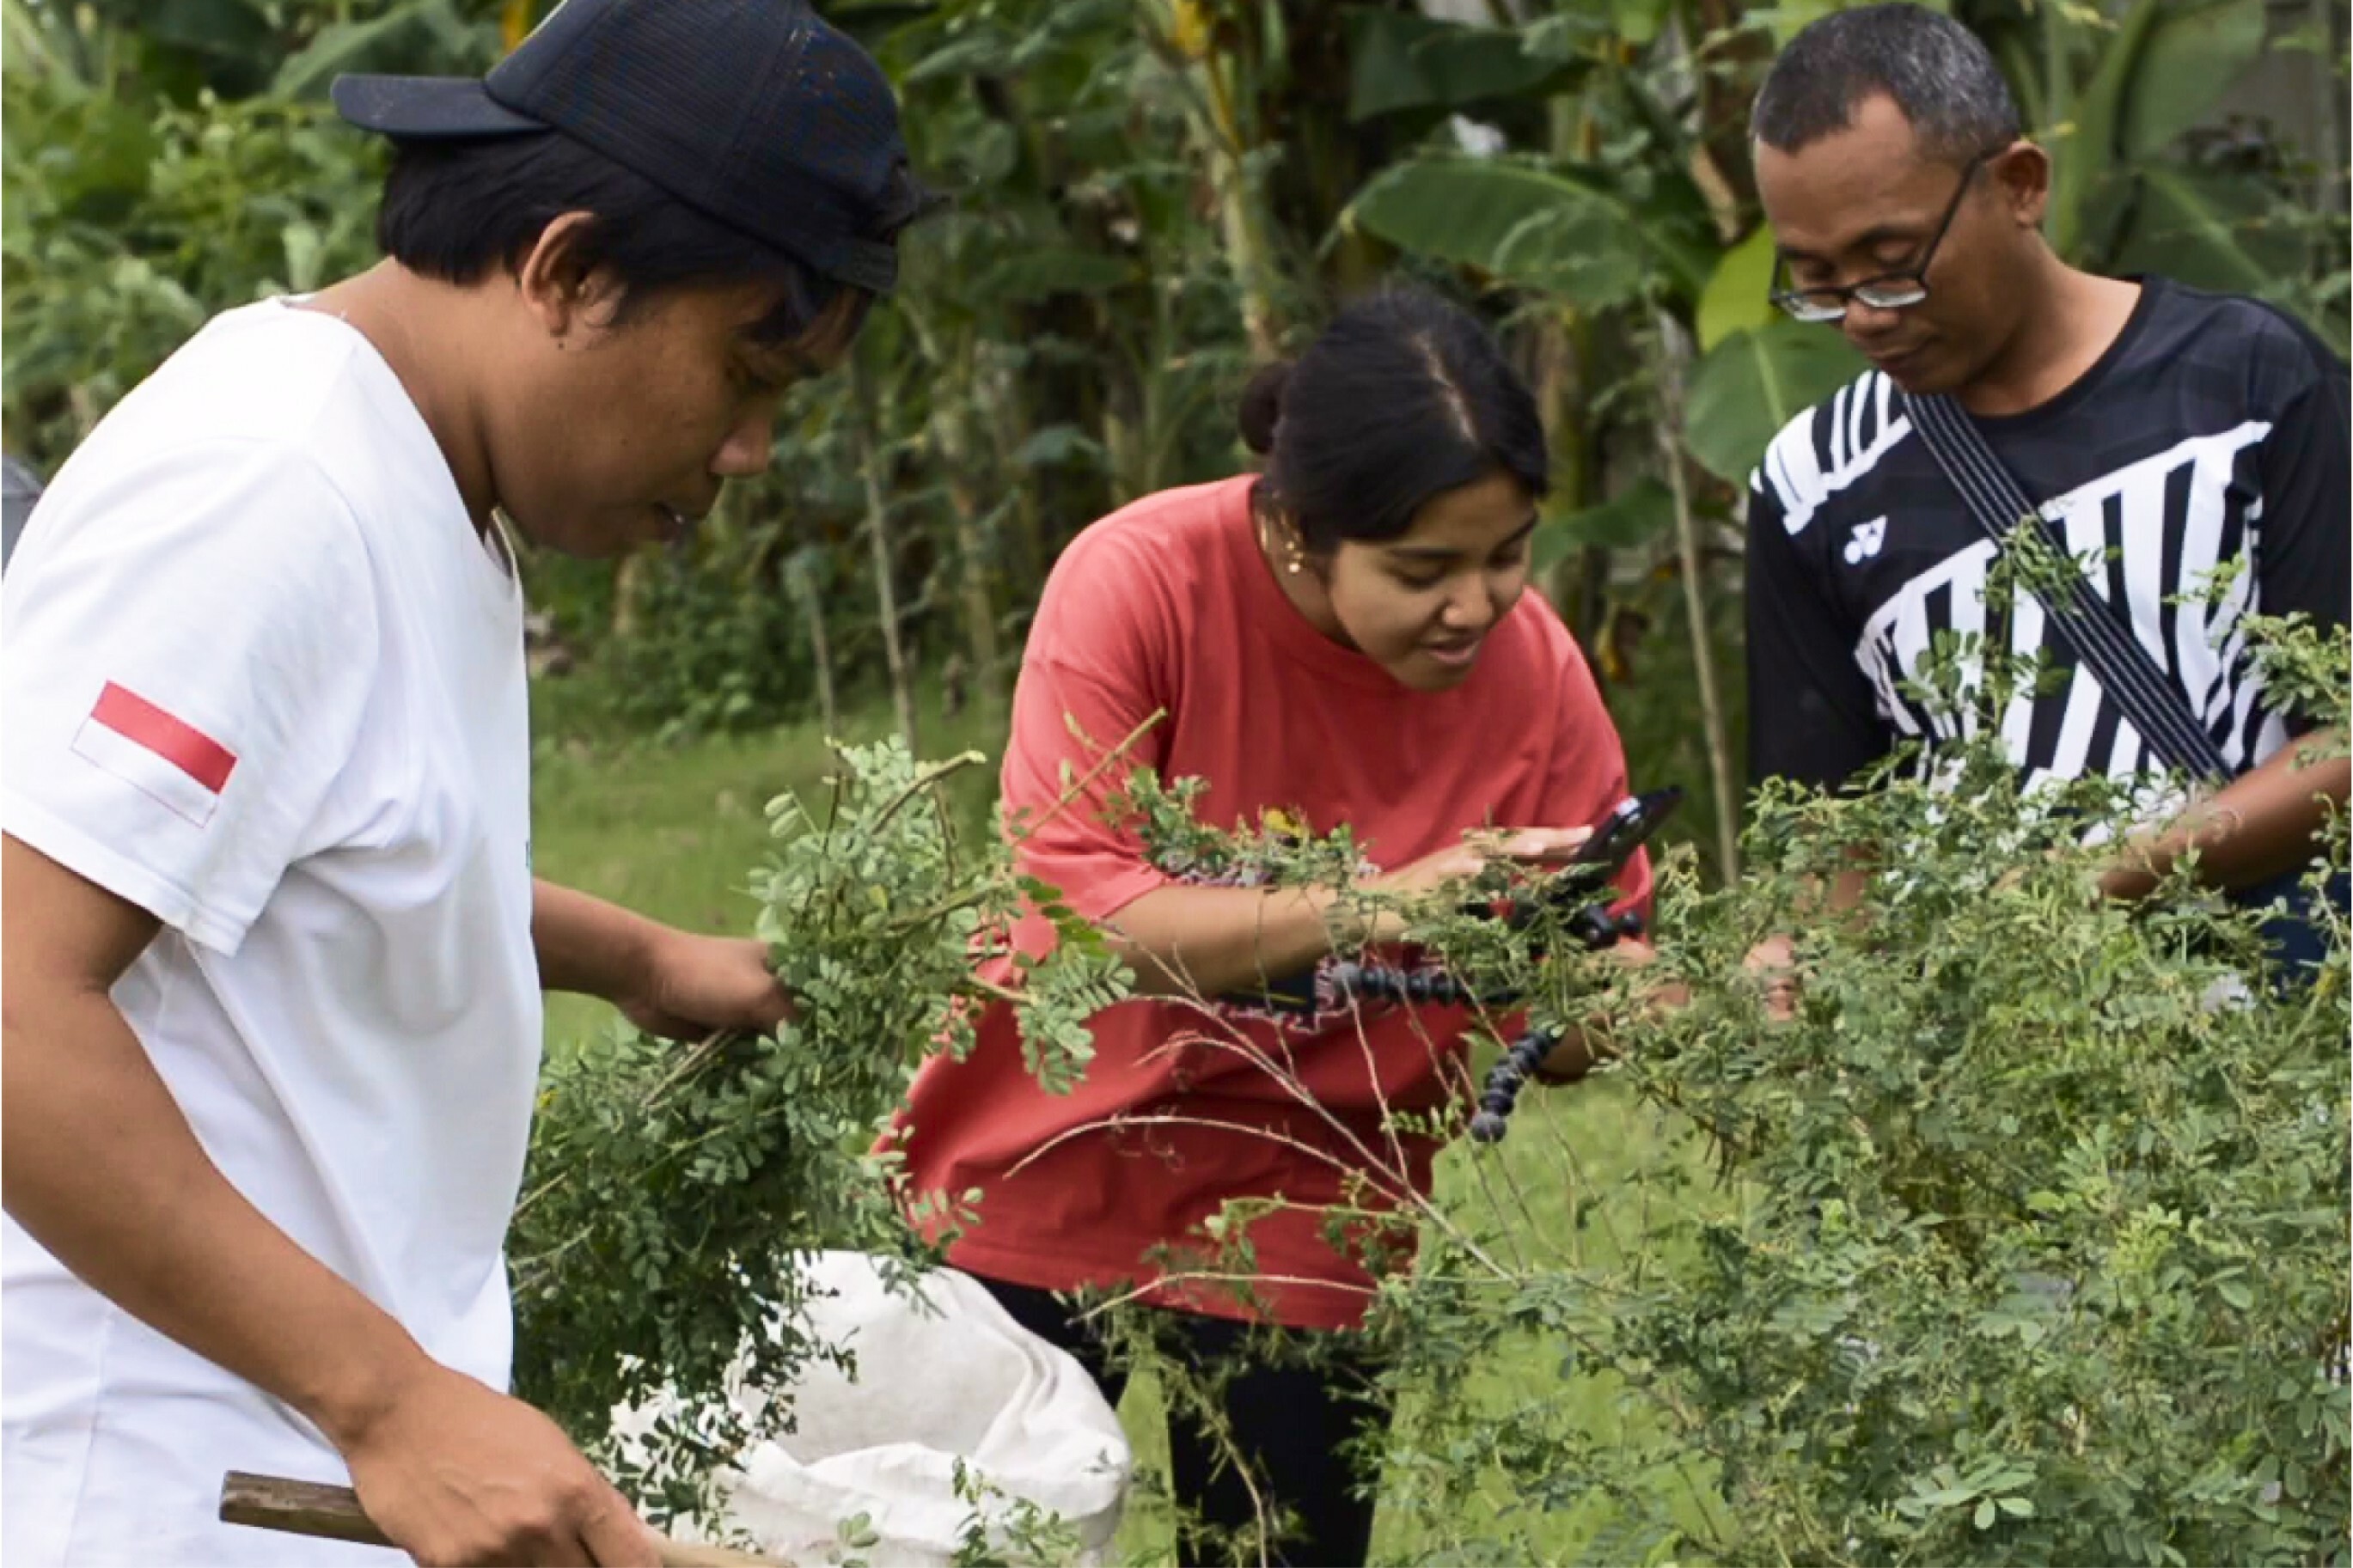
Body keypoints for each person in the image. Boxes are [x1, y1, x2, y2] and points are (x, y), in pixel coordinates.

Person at [0, 3, 928, 1564]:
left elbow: (305, 862)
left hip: (303, 1469)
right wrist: (388, 1406)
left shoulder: (431, 471)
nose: (752, 450)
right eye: (743, 372)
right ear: (567, 271)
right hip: (161, 1484)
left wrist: (630, 957)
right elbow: (15, 995)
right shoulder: (272, 488)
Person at [889, 287, 1653, 1566]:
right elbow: (1075, 903)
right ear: (1298, 533)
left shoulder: (1539, 676)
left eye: (1507, 554)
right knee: (938, 1543)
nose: (1476, 606)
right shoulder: (1141, 578)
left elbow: (1565, 1009)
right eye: (1422, 571)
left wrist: (1687, 1002)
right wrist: (1386, 900)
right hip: (1041, 1166)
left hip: (1314, 1215)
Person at [1739, 3, 2349, 955]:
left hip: (2273, 1049)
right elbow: (1825, 833)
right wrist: (1796, 969)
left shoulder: (2246, 385)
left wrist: (2093, 882)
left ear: (2018, 184)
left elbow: (2340, 739)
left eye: (1890, 266)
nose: (1859, 317)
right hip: (1996, 1072)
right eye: (1814, 280)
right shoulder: (1808, 483)